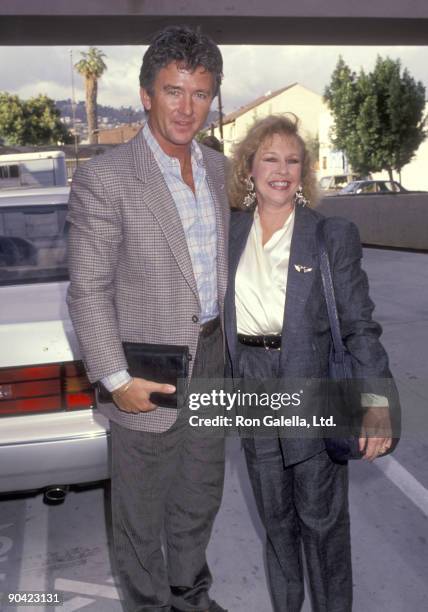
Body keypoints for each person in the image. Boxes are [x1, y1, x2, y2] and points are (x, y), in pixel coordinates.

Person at [67, 26, 229, 612]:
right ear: (145, 94)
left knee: (199, 496)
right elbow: (87, 289)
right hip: (144, 371)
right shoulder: (105, 178)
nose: (188, 108)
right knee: (140, 515)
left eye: (201, 94)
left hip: (213, 360)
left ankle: (190, 594)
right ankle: (150, 605)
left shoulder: (219, 170)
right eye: (174, 91)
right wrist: (115, 379)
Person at [224, 114, 397, 611]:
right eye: (270, 159)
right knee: (276, 523)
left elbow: (359, 326)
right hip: (253, 389)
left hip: (313, 386)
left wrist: (376, 404)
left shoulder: (329, 234)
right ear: (249, 168)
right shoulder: (230, 232)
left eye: (292, 160)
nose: (281, 170)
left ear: (305, 171)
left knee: (321, 524)